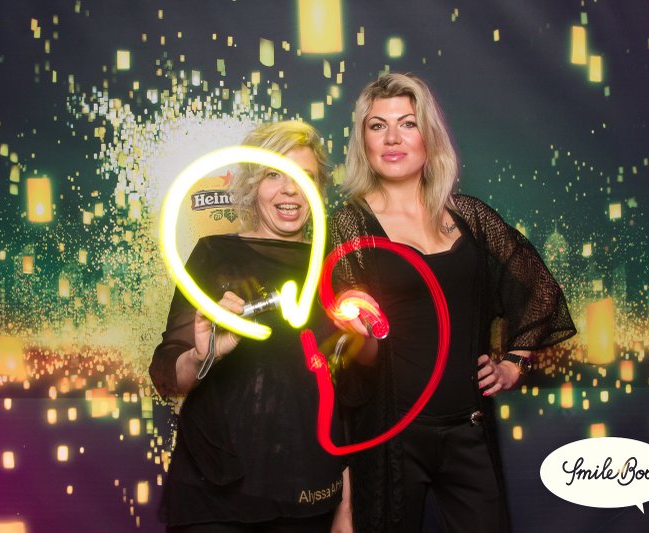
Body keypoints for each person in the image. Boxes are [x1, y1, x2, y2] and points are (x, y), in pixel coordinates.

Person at [328, 73, 576, 532]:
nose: (393, 138)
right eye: (378, 126)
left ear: (428, 134)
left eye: (407, 123)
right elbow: (356, 355)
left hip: (468, 428)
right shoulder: (351, 226)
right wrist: (359, 333)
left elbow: (542, 291)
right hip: (392, 436)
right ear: (363, 141)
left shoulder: (470, 216)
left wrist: (514, 363)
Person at [150, 121, 352, 532]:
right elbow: (166, 377)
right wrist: (202, 356)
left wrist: (347, 504)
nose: (290, 190)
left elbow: (350, 394)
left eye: (304, 177)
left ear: (319, 187)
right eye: (274, 174)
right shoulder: (214, 254)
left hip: (308, 492)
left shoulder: (336, 265)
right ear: (253, 184)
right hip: (215, 493)